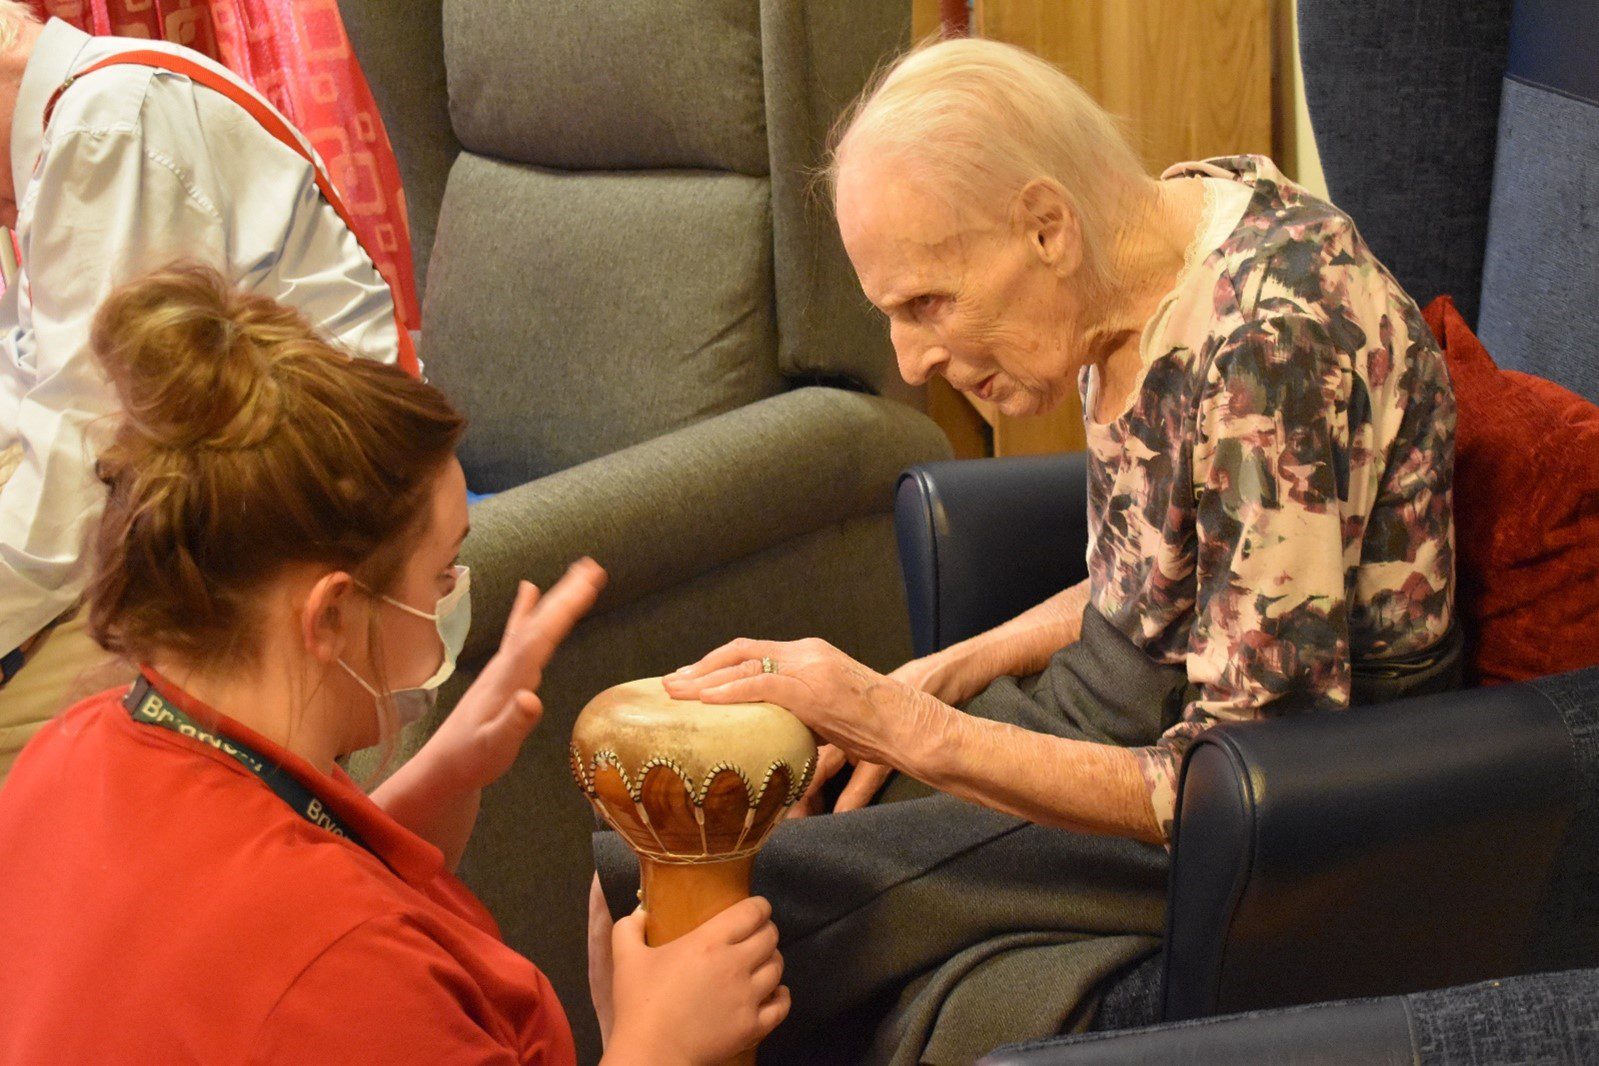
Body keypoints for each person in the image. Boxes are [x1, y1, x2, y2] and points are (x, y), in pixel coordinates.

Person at [596, 37, 1460, 1065]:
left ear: (1047, 226)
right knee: (757, 812)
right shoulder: (1144, 252)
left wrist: (903, 723)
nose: (911, 360)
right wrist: (941, 671)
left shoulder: (1270, 347)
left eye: (928, 303)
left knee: (700, 899)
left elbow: (1246, 780)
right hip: (1125, 711)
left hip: (1258, 806)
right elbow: (1152, 576)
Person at [0, 265, 789, 1063]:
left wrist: (445, 775)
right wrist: (654, 1046)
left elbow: (266, 894)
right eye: (443, 574)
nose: (452, 599)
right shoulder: (345, 975)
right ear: (330, 617)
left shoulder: (66, 751)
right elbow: (318, 959)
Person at [0, 3, 415, 777]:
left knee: (35, 762)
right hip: (203, 498)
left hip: (297, 528)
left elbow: (82, 467)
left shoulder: (105, 128)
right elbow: (29, 391)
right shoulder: (75, 120)